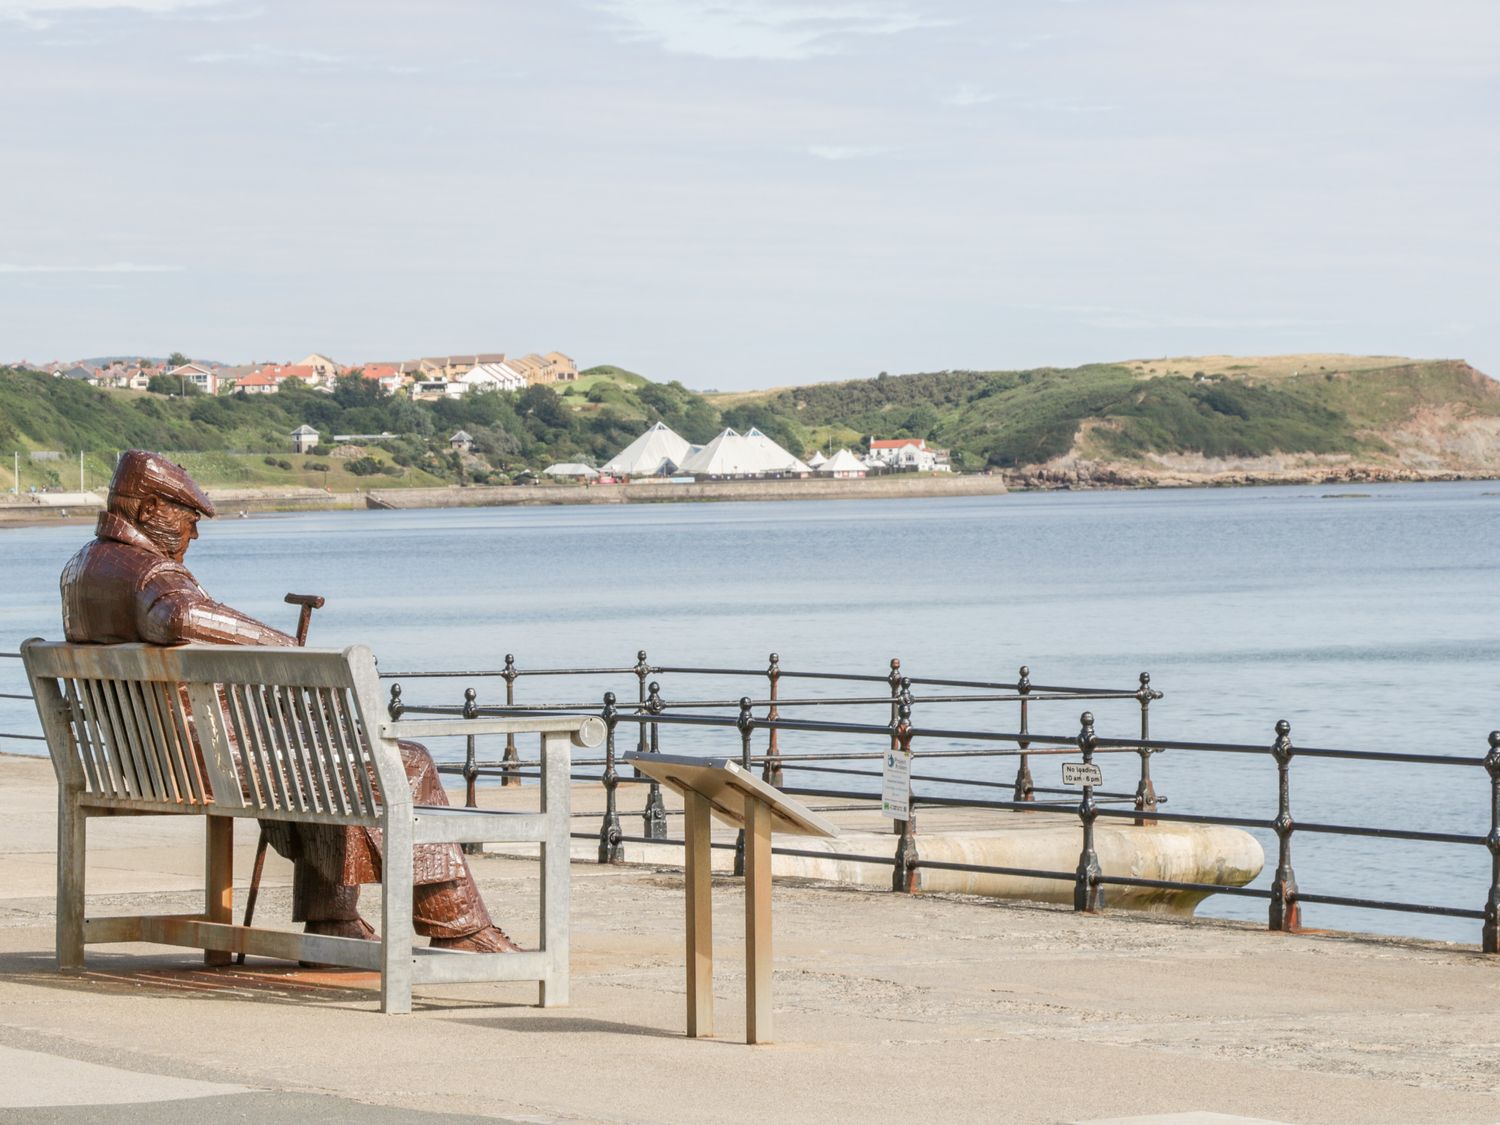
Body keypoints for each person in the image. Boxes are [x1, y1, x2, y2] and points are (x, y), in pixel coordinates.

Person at [60, 449, 518, 953]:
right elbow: (177, 617)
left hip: (144, 763)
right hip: (206, 768)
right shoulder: (151, 572)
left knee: (330, 756)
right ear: (149, 510)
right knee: (403, 762)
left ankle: (332, 920)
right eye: (188, 518)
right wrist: (290, 651)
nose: (194, 533)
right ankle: (460, 929)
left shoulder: (82, 568)